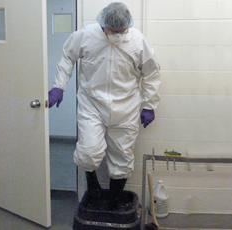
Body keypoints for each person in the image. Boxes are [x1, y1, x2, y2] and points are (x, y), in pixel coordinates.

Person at [48, 2, 161, 210]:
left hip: (126, 107)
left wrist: (149, 105)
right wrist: (59, 86)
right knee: (89, 152)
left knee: (123, 157)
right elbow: (67, 57)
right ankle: (93, 186)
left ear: (127, 27)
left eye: (122, 31)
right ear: (103, 24)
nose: (118, 35)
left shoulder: (137, 40)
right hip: (92, 105)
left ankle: (114, 200)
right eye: (113, 31)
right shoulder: (86, 35)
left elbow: (152, 73)